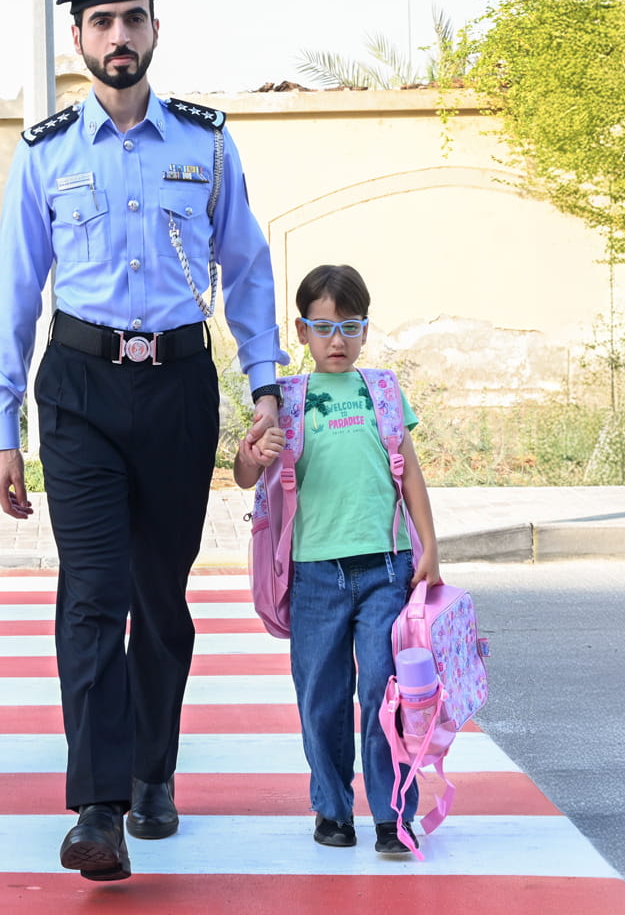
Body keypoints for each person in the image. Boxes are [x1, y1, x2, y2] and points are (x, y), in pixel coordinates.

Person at [0, 0, 287, 880]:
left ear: (154, 31)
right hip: (78, 389)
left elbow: (248, 265)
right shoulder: (45, 154)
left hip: (179, 389)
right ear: (77, 39)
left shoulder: (206, 144)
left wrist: (265, 388)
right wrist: (4, 429)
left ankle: (154, 772)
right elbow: (14, 293)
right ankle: (98, 806)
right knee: (92, 594)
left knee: (159, 599)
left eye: (134, 19)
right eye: (102, 21)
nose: (119, 36)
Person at [234, 263, 442, 855]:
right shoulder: (287, 399)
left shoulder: (383, 390)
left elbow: (412, 473)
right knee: (322, 697)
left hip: (386, 568)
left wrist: (429, 545)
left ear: (366, 330)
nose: (336, 340)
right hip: (315, 574)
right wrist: (255, 450)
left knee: (386, 694)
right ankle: (332, 808)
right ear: (300, 332)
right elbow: (245, 473)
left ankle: (391, 816)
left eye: (350, 326)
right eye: (322, 327)